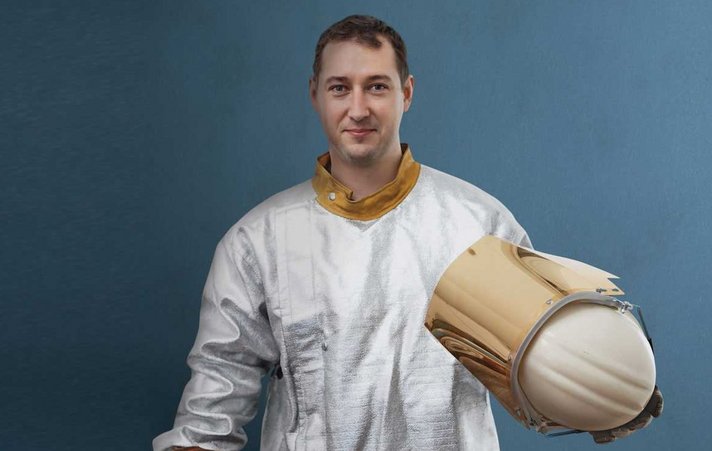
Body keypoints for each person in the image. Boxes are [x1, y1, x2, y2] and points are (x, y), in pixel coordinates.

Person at [154, 15, 531, 451]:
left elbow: (545, 369)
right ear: (315, 94)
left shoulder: (478, 225)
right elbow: (210, 415)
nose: (358, 109)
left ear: (406, 93)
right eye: (339, 88)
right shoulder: (257, 242)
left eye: (377, 86)